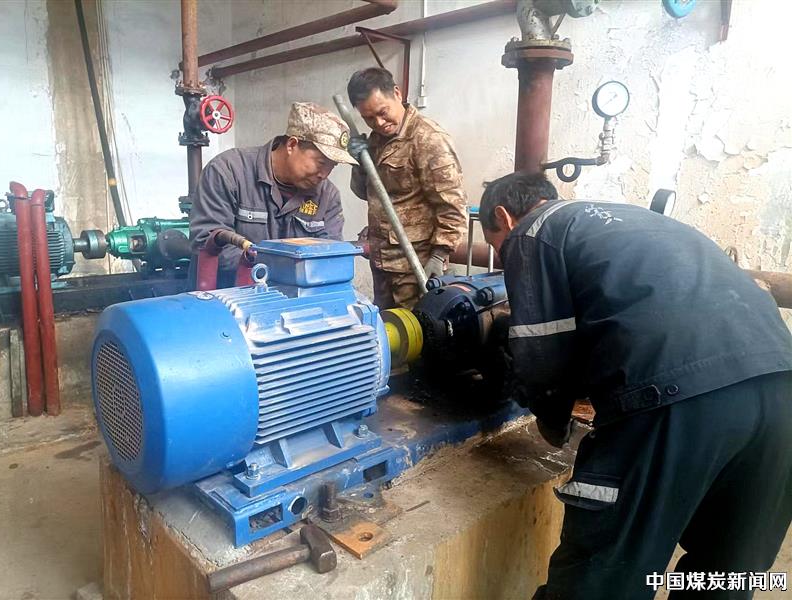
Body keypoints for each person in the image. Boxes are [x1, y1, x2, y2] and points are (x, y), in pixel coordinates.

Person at [479, 171, 792, 599]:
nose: (504, 258)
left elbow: (541, 353)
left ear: (504, 218)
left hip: (677, 397)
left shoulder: (533, 231)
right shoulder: (634, 220)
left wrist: (552, 420)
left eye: (496, 246)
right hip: (780, 384)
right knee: (727, 570)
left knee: (605, 579)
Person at [190, 102, 356, 288]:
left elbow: (329, 256)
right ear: (292, 145)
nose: (324, 174)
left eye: (332, 166)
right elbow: (206, 242)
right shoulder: (228, 172)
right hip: (227, 298)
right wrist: (280, 269)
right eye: (321, 163)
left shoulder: (327, 196)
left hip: (297, 300)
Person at [347, 67, 467, 310]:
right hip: (382, 262)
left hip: (417, 265)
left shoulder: (428, 139)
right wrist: (359, 162)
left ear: (397, 93)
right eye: (369, 118)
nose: (379, 123)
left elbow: (452, 205)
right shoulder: (375, 141)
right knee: (387, 326)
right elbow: (364, 193)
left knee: (418, 329)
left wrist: (439, 255)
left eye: (382, 113)